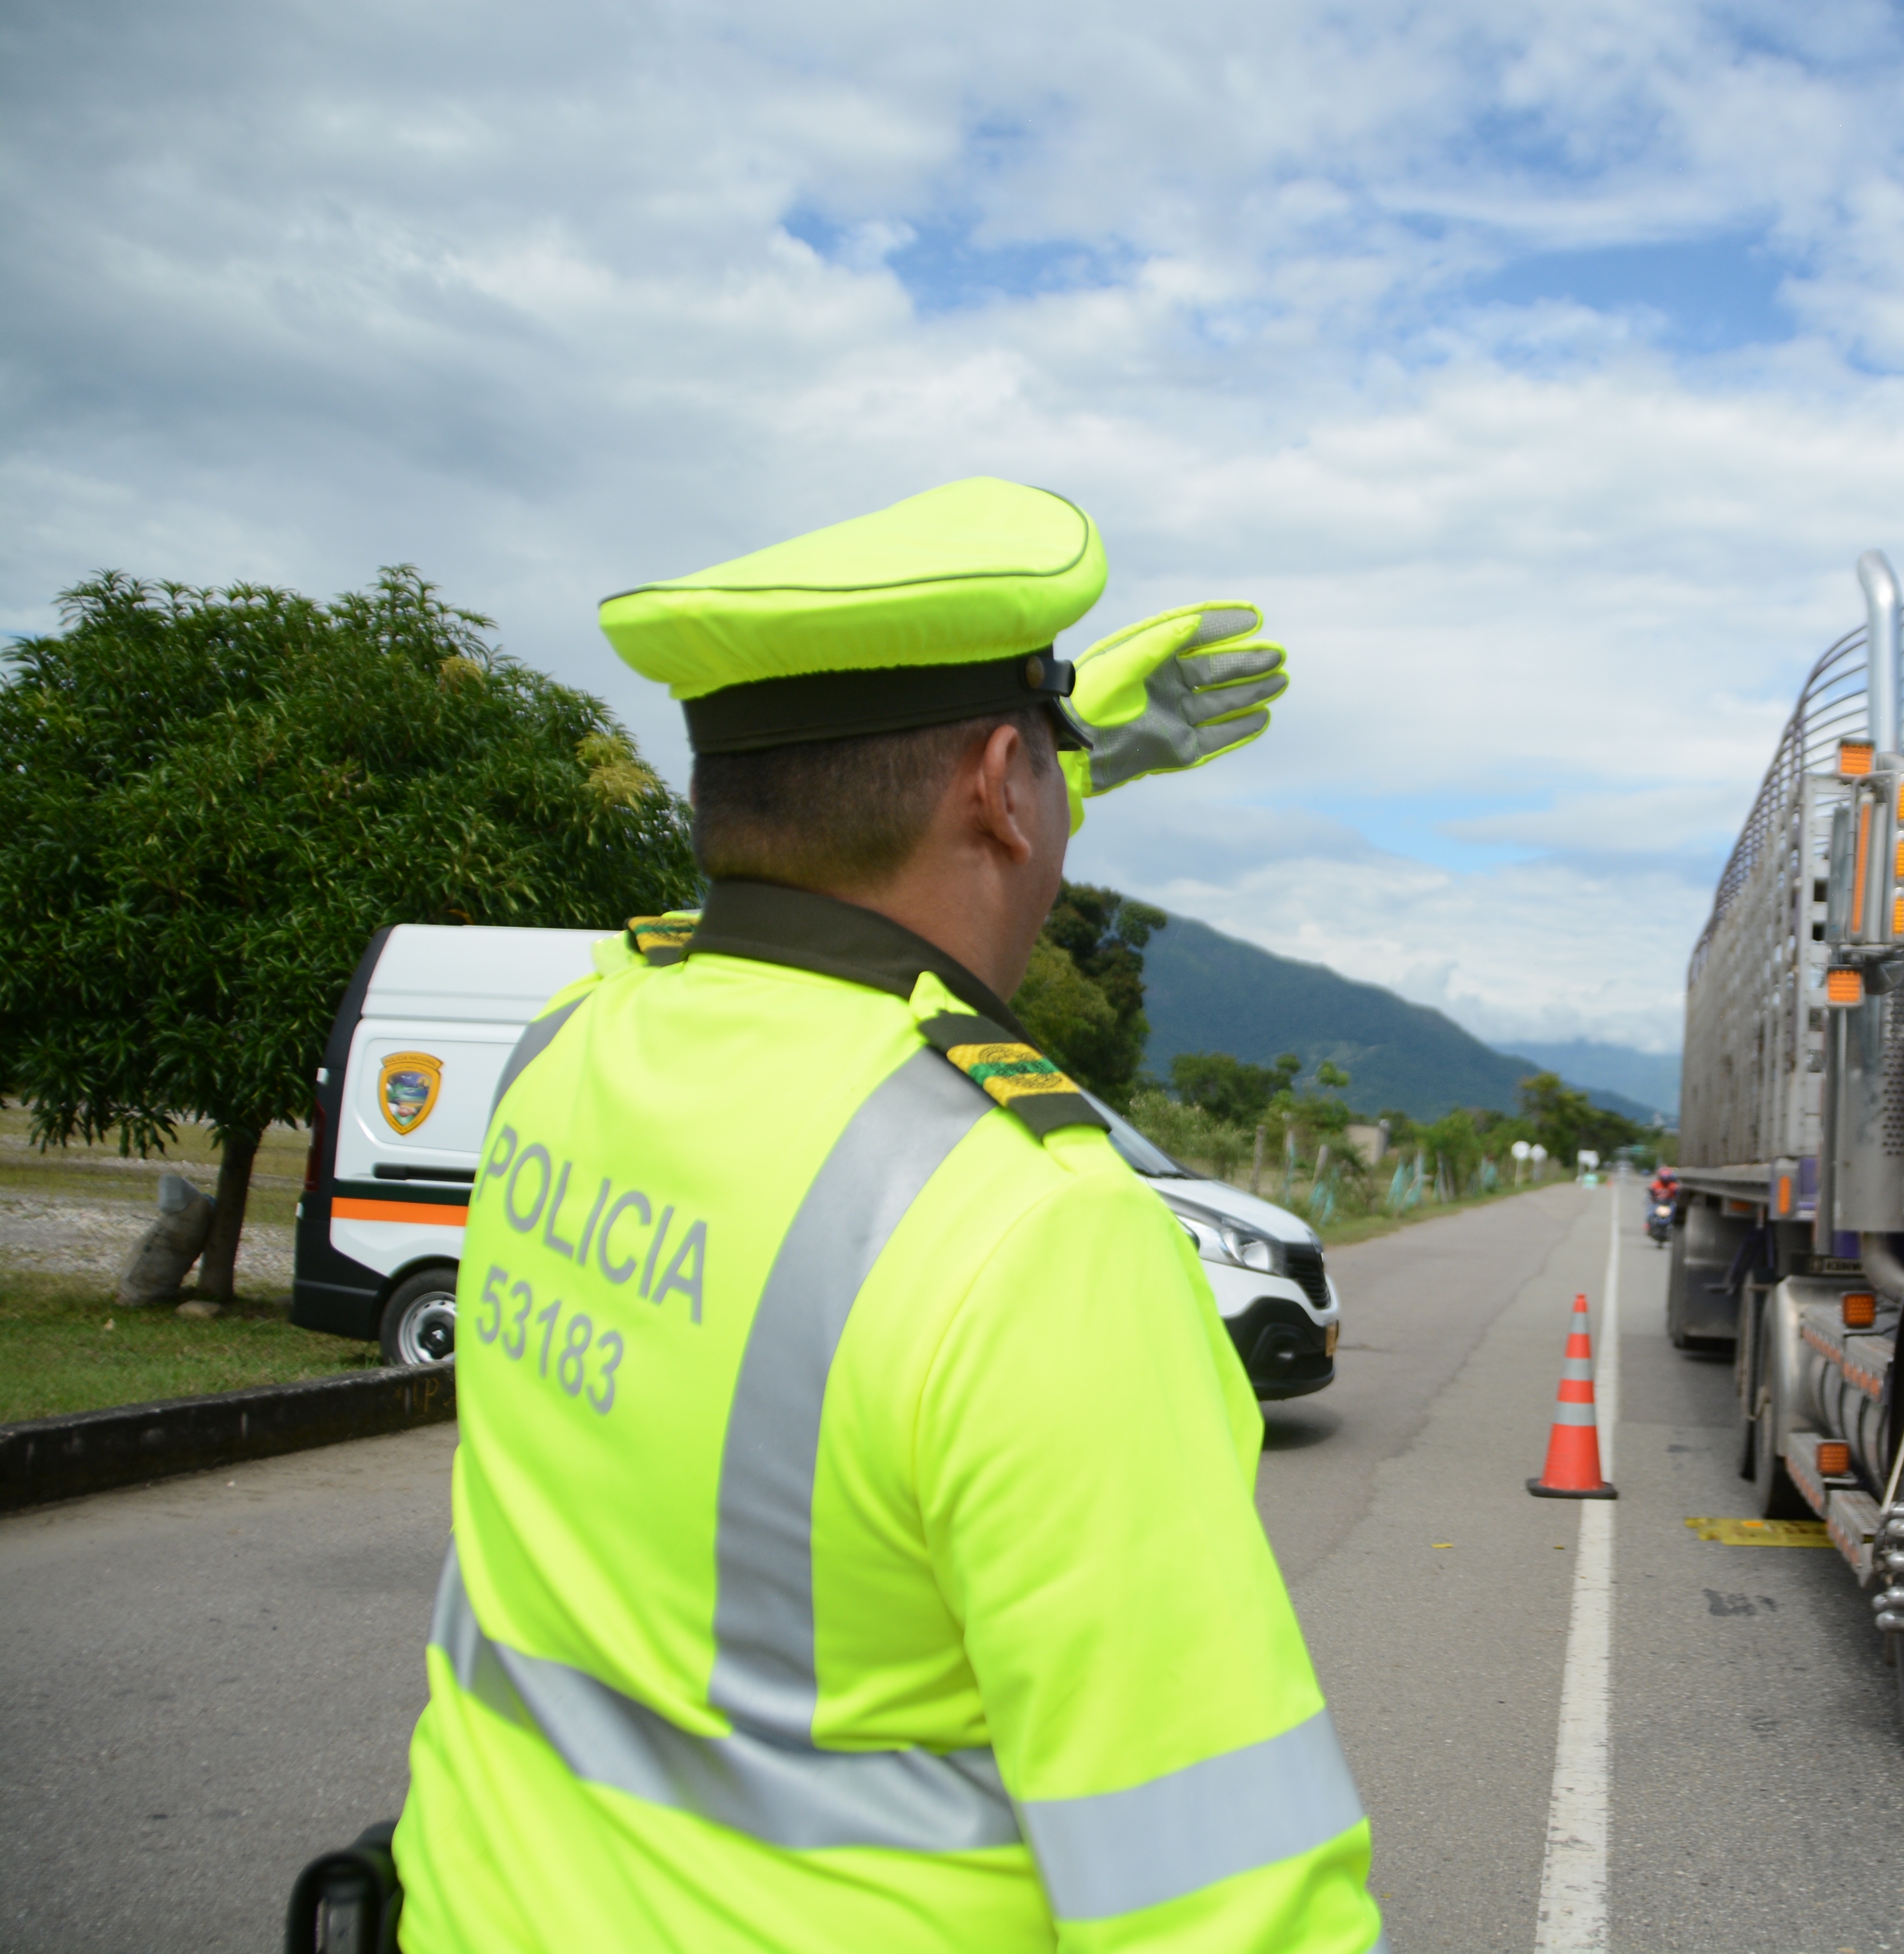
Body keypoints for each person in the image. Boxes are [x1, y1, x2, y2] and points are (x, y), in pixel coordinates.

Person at [392, 478, 1384, 1953]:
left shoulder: (575, 1041)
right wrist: (1037, 761)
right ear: (999, 785)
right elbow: (1224, 1896)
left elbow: (806, 887)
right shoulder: (1031, 1226)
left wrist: (1058, 756)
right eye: (1039, 768)